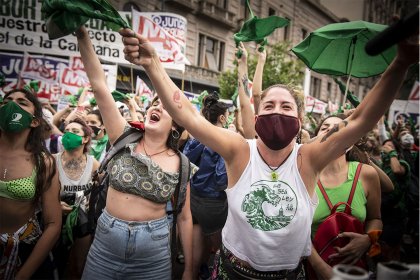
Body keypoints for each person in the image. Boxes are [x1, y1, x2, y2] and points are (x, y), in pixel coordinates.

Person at [120, 28, 417, 279]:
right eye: (269, 106)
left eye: (286, 107)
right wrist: (153, 64)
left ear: (300, 120)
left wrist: (401, 61)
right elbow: (189, 116)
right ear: (256, 118)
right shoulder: (238, 151)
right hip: (233, 272)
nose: (277, 112)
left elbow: (362, 120)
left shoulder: (309, 159)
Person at [76, 26, 195, 279]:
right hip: (104, 250)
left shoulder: (182, 164)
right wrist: (82, 34)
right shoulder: (123, 135)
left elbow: (185, 219)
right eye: (154, 103)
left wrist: (190, 269)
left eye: (165, 107)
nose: (157, 107)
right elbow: (99, 86)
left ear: (176, 124)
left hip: (153, 258)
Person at [307, 114, 382, 280]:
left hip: (355, 271)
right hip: (313, 272)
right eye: (325, 127)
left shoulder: (367, 174)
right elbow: (296, 231)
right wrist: (321, 268)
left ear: (350, 141)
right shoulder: (304, 175)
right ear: (315, 137)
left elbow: (375, 218)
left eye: (339, 128)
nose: (331, 131)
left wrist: (368, 239)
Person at [0, 88, 61, 279]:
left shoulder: (44, 162)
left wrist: (23, 275)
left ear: (34, 121)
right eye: (6, 100)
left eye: (22, 102)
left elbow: (53, 224)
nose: (11, 105)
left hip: (19, 253)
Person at [183, 94, 229, 279]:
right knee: (221, 254)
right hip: (214, 204)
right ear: (222, 118)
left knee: (192, 261)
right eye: (229, 115)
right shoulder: (224, 139)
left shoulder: (197, 137)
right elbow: (221, 180)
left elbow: (185, 163)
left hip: (192, 198)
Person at [53, 118, 99, 279]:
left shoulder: (94, 164)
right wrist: (53, 206)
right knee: (55, 264)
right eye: (66, 131)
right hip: (54, 222)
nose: (68, 135)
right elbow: (37, 193)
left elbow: (100, 192)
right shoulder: (51, 161)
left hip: (83, 223)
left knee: (78, 266)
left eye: (74, 132)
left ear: (85, 139)